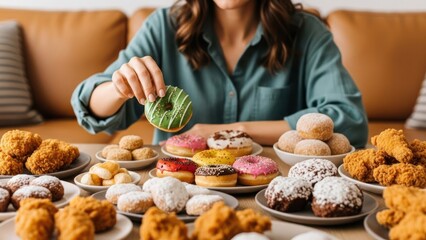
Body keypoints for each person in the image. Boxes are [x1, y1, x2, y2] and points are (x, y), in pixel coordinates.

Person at [71, 0, 368, 147]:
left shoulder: (307, 33)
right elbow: (92, 111)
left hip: (273, 189)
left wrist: (232, 132)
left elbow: (349, 120)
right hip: (180, 184)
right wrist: (120, 87)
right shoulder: (164, 27)